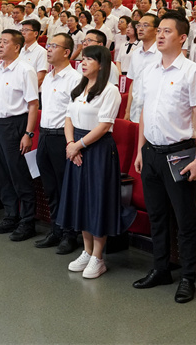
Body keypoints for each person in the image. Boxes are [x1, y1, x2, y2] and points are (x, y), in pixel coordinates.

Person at [134, 12, 196, 303]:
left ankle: (188, 277)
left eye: (167, 31)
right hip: (151, 153)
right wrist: (141, 149)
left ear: (182, 38)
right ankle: (161, 268)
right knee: (157, 215)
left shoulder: (192, 71)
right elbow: (144, 111)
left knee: (184, 218)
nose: (161, 35)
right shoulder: (150, 70)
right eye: (160, 30)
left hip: (180, 154)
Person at [60, 44, 131, 279]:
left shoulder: (109, 91)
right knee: (80, 199)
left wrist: (78, 146)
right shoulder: (79, 88)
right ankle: (87, 250)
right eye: (82, 58)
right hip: (76, 147)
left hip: (98, 149)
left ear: (101, 65)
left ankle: (98, 257)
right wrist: (71, 144)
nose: (83, 62)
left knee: (97, 201)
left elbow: (104, 126)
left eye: (89, 59)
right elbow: (68, 119)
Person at [0, 29, 40, 241]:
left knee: (18, 174)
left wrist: (28, 133)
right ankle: (10, 216)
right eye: (0, 42)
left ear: (17, 47)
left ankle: (27, 221)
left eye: (5, 42)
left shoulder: (25, 70)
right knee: (2, 173)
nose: (0, 45)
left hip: (15, 125)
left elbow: (33, 104)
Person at [36, 33, 83, 255]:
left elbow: (75, 114)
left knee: (66, 188)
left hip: (62, 138)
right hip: (44, 135)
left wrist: (72, 143)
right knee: (50, 188)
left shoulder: (75, 78)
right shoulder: (48, 77)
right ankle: (55, 229)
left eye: (54, 46)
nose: (48, 49)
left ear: (66, 52)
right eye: (48, 45)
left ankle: (69, 234)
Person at [124, 13, 159, 121]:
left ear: (156, 30)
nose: (140, 28)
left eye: (145, 25)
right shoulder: (135, 53)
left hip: (154, 113)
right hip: (135, 111)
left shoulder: (162, 54)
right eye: (139, 25)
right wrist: (128, 110)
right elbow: (134, 82)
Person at [19, 19, 48, 87]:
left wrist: (27, 91)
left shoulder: (41, 52)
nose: (23, 33)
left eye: (26, 30)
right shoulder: (21, 50)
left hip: (32, 91)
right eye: (22, 30)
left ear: (36, 33)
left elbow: (40, 79)